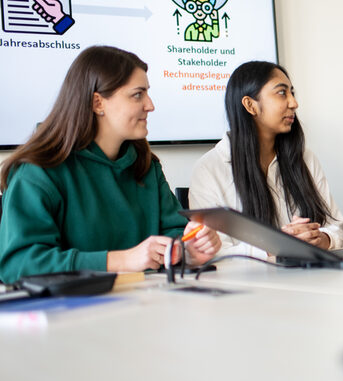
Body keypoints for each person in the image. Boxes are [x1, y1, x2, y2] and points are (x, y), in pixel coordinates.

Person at [0, 46, 221, 284]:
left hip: (149, 309)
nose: (150, 105)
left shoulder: (146, 166)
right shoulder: (38, 171)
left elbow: (173, 234)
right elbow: (19, 264)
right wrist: (122, 260)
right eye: (138, 94)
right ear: (98, 103)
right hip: (71, 315)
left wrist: (188, 250)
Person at [189, 61, 343, 258]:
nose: (294, 103)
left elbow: (336, 228)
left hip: (312, 278)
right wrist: (277, 244)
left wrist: (322, 239)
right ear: (250, 105)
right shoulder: (209, 169)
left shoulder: (305, 158)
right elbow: (214, 252)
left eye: (292, 93)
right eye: (282, 93)